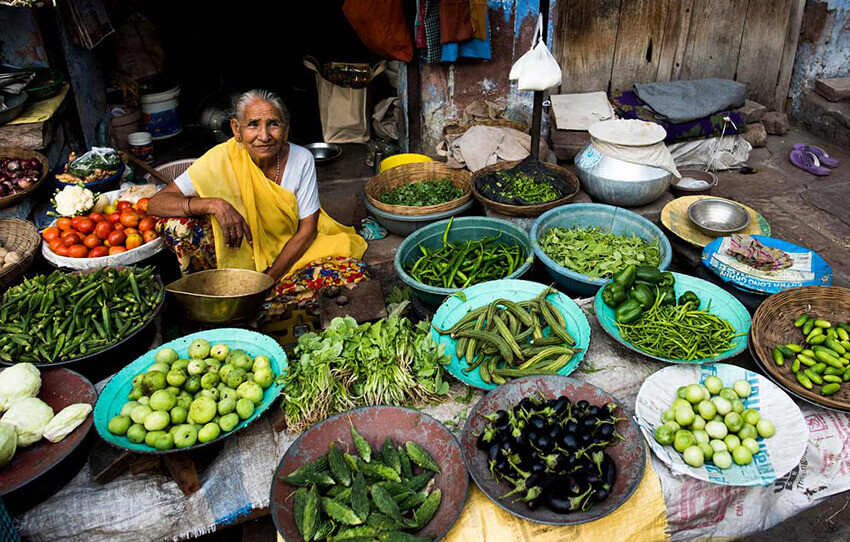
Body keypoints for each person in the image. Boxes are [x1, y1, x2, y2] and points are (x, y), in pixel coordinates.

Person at [148, 89, 367, 283]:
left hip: (289, 248)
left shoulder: (302, 159)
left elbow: (308, 230)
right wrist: (214, 204)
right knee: (176, 225)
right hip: (235, 249)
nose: (264, 136)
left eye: (273, 124)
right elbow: (156, 204)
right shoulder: (220, 158)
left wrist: (267, 280)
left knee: (350, 273)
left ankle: (260, 290)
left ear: (286, 130)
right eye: (253, 124)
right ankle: (213, 285)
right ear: (237, 130)